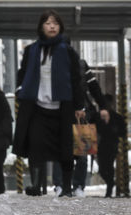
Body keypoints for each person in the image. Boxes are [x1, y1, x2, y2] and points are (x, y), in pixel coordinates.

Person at [12, 9, 85, 197]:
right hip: (37, 106)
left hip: (62, 107)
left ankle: (67, 187)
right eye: (48, 23)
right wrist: (20, 89)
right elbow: (22, 74)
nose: (52, 26)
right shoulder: (31, 51)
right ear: (41, 27)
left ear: (60, 27)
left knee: (66, 148)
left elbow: (76, 80)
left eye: (55, 23)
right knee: (35, 145)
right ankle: (36, 185)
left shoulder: (67, 51)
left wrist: (79, 106)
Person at [53, 58, 111, 197]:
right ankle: (59, 186)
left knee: (82, 153)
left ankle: (78, 186)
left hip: (82, 114)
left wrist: (103, 106)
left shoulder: (81, 65)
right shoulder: (51, 63)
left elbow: (94, 87)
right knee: (59, 153)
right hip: (59, 114)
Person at [95, 93, 127, 197]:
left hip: (112, 145)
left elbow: (123, 132)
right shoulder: (98, 117)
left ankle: (109, 189)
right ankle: (110, 183)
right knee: (102, 169)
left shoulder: (117, 118)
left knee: (108, 167)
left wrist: (115, 131)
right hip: (101, 145)